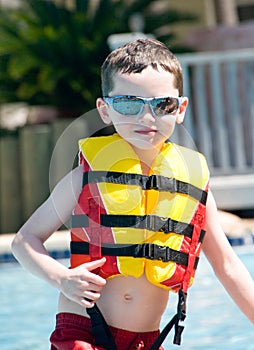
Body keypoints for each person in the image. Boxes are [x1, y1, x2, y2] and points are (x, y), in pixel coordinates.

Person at [12, 38, 254, 350]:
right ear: (105, 110)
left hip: (147, 341)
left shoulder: (194, 187)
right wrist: (62, 279)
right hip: (84, 332)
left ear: (180, 109)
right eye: (128, 104)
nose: (146, 117)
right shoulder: (85, 178)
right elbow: (24, 242)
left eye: (162, 104)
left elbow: (229, 267)